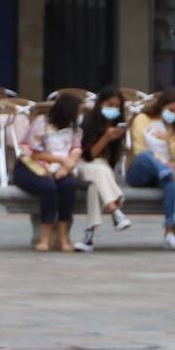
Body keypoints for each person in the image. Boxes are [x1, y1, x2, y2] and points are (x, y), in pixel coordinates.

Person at [13, 93, 83, 252]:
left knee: (69, 186)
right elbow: (34, 153)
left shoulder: (75, 130)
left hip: (59, 169)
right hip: (32, 167)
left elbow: (76, 150)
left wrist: (66, 167)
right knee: (48, 188)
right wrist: (59, 160)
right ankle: (45, 236)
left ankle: (63, 235)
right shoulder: (42, 123)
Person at [125, 87, 175, 250]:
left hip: (164, 174)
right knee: (146, 158)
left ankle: (170, 232)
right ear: (162, 106)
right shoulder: (142, 119)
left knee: (172, 183)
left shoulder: (173, 128)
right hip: (140, 171)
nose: (173, 114)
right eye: (171, 110)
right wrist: (165, 165)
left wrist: (169, 139)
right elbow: (140, 150)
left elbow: (174, 157)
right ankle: (165, 172)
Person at [73, 86, 132, 252]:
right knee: (99, 170)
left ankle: (88, 237)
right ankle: (115, 210)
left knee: (95, 186)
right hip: (83, 165)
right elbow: (89, 155)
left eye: (116, 106)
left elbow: (111, 161)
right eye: (109, 104)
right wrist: (106, 137)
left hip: (102, 170)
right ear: (100, 103)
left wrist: (115, 138)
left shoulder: (117, 126)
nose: (113, 109)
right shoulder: (89, 122)